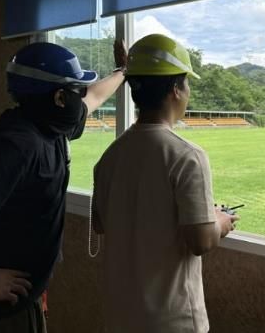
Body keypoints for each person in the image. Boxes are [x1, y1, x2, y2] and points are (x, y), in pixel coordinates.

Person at [0, 40, 127, 332]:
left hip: (23, 301)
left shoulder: (50, 126)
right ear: (59, 97)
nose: (82, 97)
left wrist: (123, 71)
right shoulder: (15, 144)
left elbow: (95, 96)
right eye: (76, 90)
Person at [92, 34, 238, 333]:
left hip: (120, 317)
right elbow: (201, 241)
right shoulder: (188, 156)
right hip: (172, 321)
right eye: (187, 83)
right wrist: (220, 221)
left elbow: (101, 223)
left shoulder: (110, 156)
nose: (188, 92)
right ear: (175, 89)